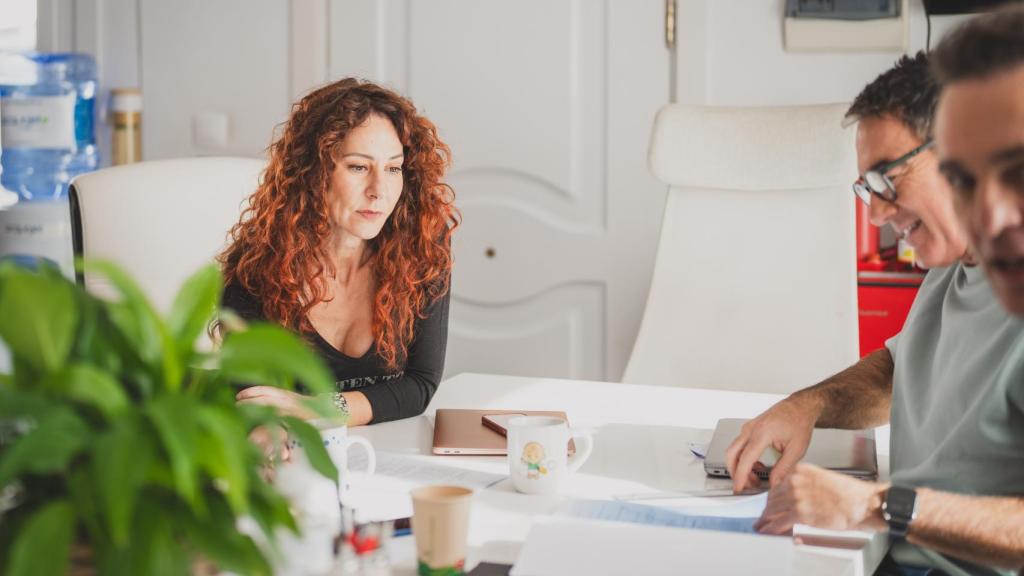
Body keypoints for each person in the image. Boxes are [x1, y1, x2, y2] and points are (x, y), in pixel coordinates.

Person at [725, 49, 1024, 575]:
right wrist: (809, 405)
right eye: (867, 188)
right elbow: (900, 370)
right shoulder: (953, 268)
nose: (876, 213)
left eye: (888, 179)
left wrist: (874, 505)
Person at [218, 78, 459, 426]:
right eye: (359, 167)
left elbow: (420, 386)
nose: (379, 190)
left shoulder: (422, 246)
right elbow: (255, 399)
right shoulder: (258, 265)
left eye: (393, 168)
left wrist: (318, 407)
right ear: (314, 172)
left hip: (383, 455)